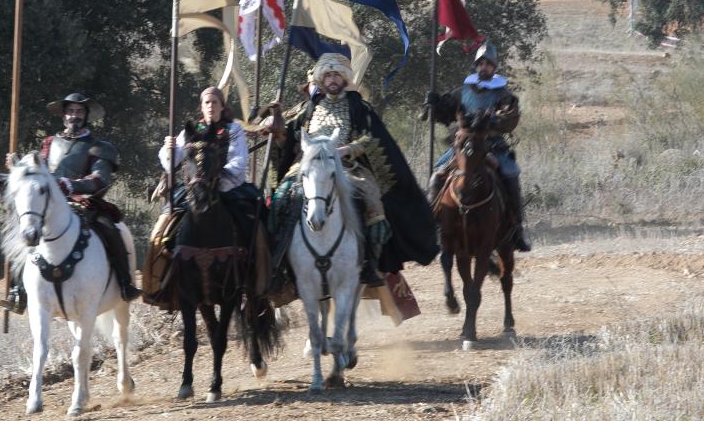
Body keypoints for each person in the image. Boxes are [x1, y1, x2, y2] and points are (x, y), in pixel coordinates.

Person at [265, 53, 439, 288]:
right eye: (328, 75)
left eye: (337, 74)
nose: (332, 79)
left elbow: (373, 138)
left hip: (347, 166)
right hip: (307, 167)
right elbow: (291, 139)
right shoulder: (310, 108)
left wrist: (349, 149)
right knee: (279, 199)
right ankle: (279, 266)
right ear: (322, 80)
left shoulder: (358, 107)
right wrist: (278, 132)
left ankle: (369, 264)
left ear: (345, 78)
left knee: (372, 202)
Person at [0, 93, 141, 314]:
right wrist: (16, 166)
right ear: (64, 115)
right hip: (49, 202)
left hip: (84, 201)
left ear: (85, 116)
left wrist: (71, 185)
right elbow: (36, 173)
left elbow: (99, 179)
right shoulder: (48, 143)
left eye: (79, 112)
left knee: (109, 228)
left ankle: (124, 283)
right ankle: (17, 291)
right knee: (23, 233)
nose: (74, 116)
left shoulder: (98, 147)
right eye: (71, 111)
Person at [425, 42, 532, 252]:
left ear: (494, 67)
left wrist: (488, 122)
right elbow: (446, 113)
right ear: (476, 65)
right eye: (481, 63)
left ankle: (515, 228)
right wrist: (434, 104)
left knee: (510, 173)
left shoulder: (503, 94)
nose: (484, 67)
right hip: (464, 144)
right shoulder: (462, 91)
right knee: (438, 174)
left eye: (488, 64)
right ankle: (432, 222)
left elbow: (510, 118)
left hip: (492, 145)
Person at [157, 87, 261, 240]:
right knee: (162, 227)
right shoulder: (190, 131)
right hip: (194, 188)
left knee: (255, 223)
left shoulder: (233, 130)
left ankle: (260, 260)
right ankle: (155, 258)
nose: (211, 106)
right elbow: (172, 162)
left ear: (222, 106)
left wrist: (217, 177)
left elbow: (240, 160)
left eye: (214, 102)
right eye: (207, 102)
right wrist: (169, 149)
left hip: (226, 186)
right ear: (202, 106)